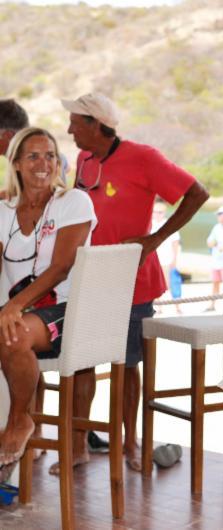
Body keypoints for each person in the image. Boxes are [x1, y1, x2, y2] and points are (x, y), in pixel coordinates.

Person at [58, 92, 208, 473]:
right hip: (89, 276)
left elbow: (196, 193)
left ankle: (130, 443)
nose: (69, 130)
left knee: (127, 365)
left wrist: (155, 239)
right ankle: (78, 446)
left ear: (95, 124)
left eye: (75, 123)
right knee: (82, 363)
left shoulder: (144, 157)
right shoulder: (84, 159)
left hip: (133, 280)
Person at [0, 127, 96, 464]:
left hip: (69, 309)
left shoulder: (73, 201)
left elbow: (62, 266)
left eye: (50, 155)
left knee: (13, 334)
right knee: (11, 328)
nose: (44, 163)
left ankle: (19, 419)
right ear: (15, 164)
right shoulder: (4, 207)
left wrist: (12, 307)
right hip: (24, 309)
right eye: (33, 156)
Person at [151, 199, 182, 314]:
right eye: (155, 212)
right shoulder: (150, 224)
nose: (157, 214)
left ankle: (177, 306)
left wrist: (175, 259)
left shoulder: (169, 224)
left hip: (166, 258)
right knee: (155, 283)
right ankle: (159, 306)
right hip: (153, 259)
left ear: (164, 212)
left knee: (171, 283)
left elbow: (175, 242)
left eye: (160, 212)